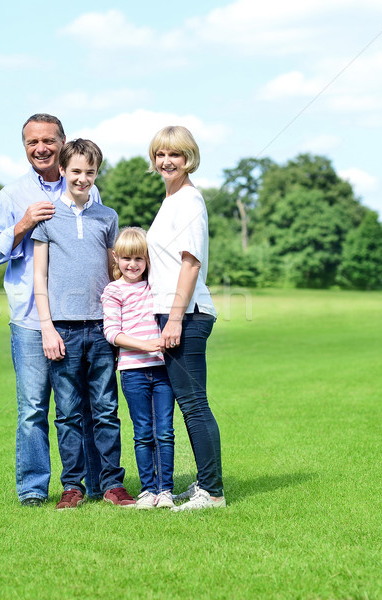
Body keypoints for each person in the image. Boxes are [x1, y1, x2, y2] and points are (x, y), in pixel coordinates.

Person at [0, 114, 102, 507]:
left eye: (48, 141)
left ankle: (87, 485)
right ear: (25, 147)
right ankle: (33, 489)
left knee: (81, 406)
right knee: (33, 407)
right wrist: (23, 223)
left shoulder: (87, 188)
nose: (41, 148)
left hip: (80, 319)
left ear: (63, 143)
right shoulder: (11, 195)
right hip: (31, 320)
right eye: (32, 143)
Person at [32, 138, 135, 510]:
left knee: (106, 410)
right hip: (63, 329)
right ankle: (72, 486)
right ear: (62, 171)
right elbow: (39, 276)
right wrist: (47, 327)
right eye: (75, 171)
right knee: (68, 413)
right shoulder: (47, 217)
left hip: (103, 328)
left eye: (90, 172)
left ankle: (111, 484)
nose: (82, 178)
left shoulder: (107, 217)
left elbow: (113, 270)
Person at [146, 125, 226, 511]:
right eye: (160, 154)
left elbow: (190, 264)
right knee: (187, 401)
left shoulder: (190, 201)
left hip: (187, 314)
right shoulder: (170, 201)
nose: (166, 161)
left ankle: (212, 492)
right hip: (171, 311)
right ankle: (204, 485)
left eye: (174, 155)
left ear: (188, 157)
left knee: (194, 404)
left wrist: (175, 319)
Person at [101, 227, 176, 510]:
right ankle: (147, 490)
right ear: (116, 260)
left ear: (147, 261)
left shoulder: (154, 287)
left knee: (165, 431)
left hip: (162, 372)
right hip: (133, 372)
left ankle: (165, 490)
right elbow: (112, 333)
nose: (132, 265)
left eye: (139, 259)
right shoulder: (113, 291)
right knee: (143, 432)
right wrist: (146, 346)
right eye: (126, 259)